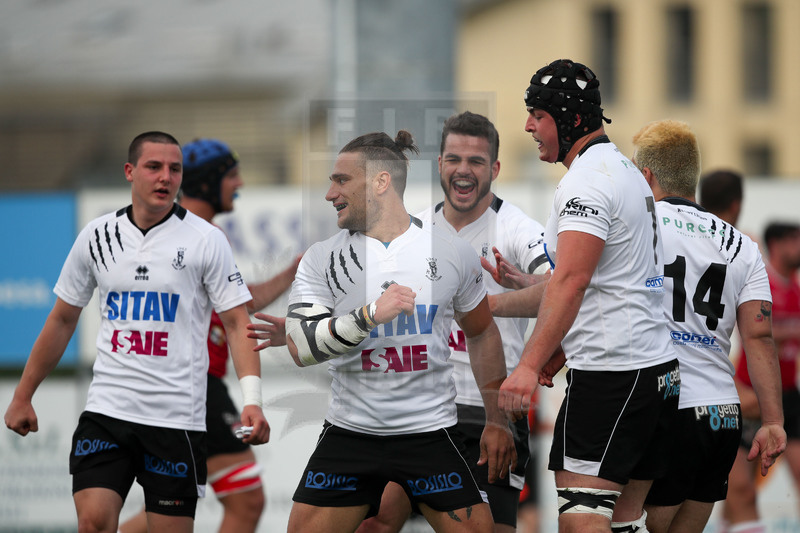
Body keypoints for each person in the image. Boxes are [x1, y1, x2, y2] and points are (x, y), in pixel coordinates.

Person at [3, 131, 270, 533]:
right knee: (93, 522)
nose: (165, 177)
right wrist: (22, 396)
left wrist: (253, 400)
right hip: (108, 410)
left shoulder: (206, 240)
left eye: (174, 169)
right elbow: (61, 319)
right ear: (130, 172)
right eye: (154, 167)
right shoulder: (96, 236)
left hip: (176, 419)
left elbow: (237, 322)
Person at [265, 129, 514, 532]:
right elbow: (301, 347)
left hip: (430, 434)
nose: (330, 193)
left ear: (381, 182)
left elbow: (483, 333)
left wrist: (497, 421)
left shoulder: (450, 252)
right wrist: (368, 316)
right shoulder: (321, 258)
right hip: (351, 434)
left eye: (341, 180)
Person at [494, 59, 680, 533]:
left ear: (569, 116)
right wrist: (554, 336)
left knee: (581, 522)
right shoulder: (622, 170)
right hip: (654, 370)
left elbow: (572, 281)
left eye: (537, 114)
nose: (529, 126)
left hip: (612, 374)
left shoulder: (587, 180)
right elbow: (607, 280)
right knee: (622, 523)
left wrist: (528, 366)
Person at [349, 112, 548, 533]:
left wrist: (481, 307)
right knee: (376, 521)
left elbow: (558, 291)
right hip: (418, 404)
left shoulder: (517, 229)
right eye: (454, 159)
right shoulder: (411, 228)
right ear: (439, 164)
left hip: (489, 408)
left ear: (494, 169)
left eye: (476, 161)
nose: (463, 170)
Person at [118, 138, 300, 533]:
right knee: (246, 501)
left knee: (169, 510)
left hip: (199, 385)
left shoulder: (204, 234)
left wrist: (291, 273)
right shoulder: (188, 235)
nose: (240, 183)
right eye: (232, 175)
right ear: (207, 182)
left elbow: (236, 304)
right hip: (193, 386)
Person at [628, 119, 785, 533]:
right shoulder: (741, 244)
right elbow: (758, 334)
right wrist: (773, 421)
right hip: (721, 413)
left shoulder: (638, 224)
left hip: (664, 406)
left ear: (646, 174)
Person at [724, 222, 800, 533]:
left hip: (787, 395)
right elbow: (755, 332)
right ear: (778, 245)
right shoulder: (763, 281)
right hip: (752, 398)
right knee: (740, 488)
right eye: (796, 241)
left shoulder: (794, 287)